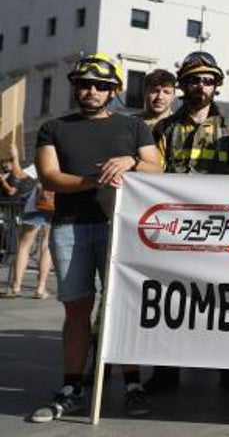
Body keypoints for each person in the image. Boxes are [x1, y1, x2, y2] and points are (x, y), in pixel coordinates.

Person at [30, 54, 161, 422]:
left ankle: (133, 383)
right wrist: (95, 180)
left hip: (118, 227)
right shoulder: (53, 127)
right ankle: (72, 385)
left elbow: (156, 166)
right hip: (70, 226)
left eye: (101, 86)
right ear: (75, 87)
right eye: (85, 84)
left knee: (121, 305)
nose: (91, 91)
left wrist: (131, 162)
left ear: (113, 91)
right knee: (76, 310)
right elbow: (50, 177)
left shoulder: (134, 127)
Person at [145, 51, 229, 394]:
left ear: (216, 86)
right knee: (172, 300)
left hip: (219, 230)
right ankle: (166, 368)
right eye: (193, 80)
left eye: (207, 80)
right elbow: (153, 175)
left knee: (224, 302)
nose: (200, 86)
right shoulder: (164, 128)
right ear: (183, 86)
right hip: (175, 229)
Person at [3, 145, 52, 299]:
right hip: (58, 205)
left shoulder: (44, 159)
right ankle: (40, 289)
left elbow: (20, 175)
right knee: (47, 245)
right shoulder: (67, 159)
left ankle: (16, 287)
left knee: (24, 245)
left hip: (36, 205)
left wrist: (16, 158)